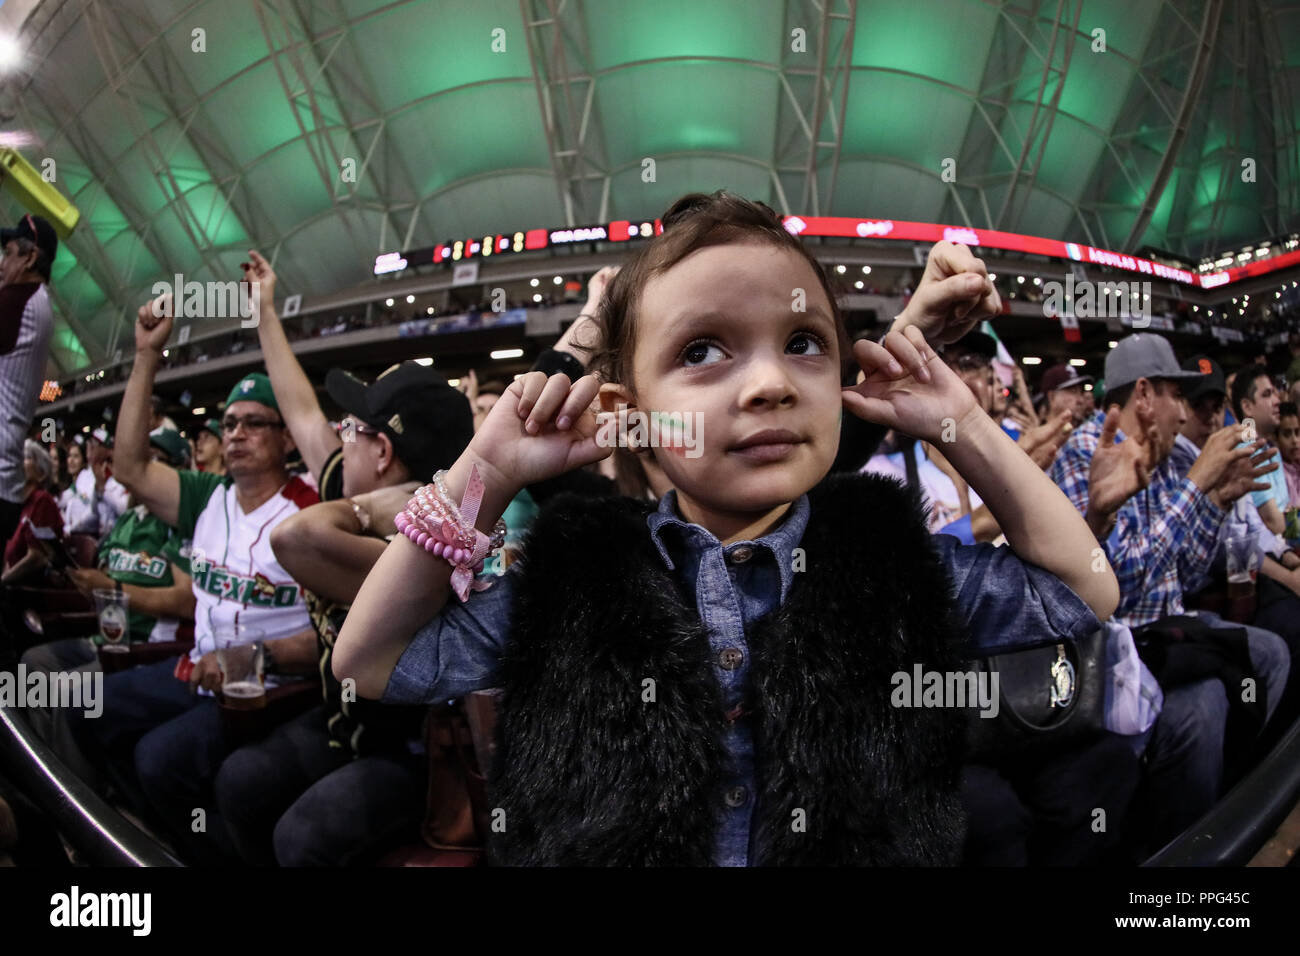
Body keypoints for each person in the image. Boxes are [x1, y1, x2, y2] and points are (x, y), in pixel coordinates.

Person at [336, 192, 1118, 866]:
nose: (772, 383)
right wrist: (489, 469)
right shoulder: (576, 581)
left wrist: (961, 422)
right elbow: (371, 659)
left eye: (804, 343)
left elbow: (1083, 587)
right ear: (626, 412)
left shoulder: (893, 565)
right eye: (703, 350)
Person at [71, 294, 320, 864]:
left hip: (273, 687)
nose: (235, 433)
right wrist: (144, 356)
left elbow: (333, 638)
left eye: (254, 423)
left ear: (286, 438)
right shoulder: (209, 497)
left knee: (162, 758)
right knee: (90, 705)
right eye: (228, 423)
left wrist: (249, 660)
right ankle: (149, 837)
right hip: (197, 667)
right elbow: (129, 465)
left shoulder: (312, 512)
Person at [214, 360, 474, 866]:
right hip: (343, 724)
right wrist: (264, 305)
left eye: (351, 428)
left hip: (409, 753)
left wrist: (371, 509)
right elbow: (301, 413)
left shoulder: (418, 550)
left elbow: (293, 537)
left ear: (382, 452)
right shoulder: (347, 487)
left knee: (302, 837)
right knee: (241, 780)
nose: (337, 435)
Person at [1049, 333, 1290, 846]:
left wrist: (1217, 501)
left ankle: (1233, 807)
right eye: (1176, 396)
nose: (1183, 415)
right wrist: (1195, 486)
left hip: (1168, 628)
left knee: (1272, 653)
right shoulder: (1084, 455)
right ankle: (1181, 856)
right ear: (1142, 393)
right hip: (1115, 647)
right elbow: (1120, 588)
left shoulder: (1157, 456)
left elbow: (1184, 574)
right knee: (1202, 707)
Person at [19, 428, 196, 785]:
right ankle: (49, 773)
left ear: (179, 472)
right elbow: (101, 581)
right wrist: (83, 581)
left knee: (69, 690)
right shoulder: (128, 519)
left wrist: (113, 586)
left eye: (156, 464)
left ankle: (84, 798)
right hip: (106, 636)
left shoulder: (183, 524)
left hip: (148, 647)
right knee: (31, 667)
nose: (143, 474)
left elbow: (187, 602)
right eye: (140, 465)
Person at [0, 215, 58, 546]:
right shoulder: (33, 301)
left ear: (30, 257)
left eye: (8, 253)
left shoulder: (18, 301)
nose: (1, 264)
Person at [1231, 366, 1286, 536]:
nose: (1277, 400)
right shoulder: (1245, 450)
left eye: (1275, 393)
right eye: (1267, 394)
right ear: (1247, 407)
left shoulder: (1270, 448)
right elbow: (1275, 523)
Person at [1, 440, 62, 587]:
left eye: (27, 457)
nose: (19, 461)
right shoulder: (19, 503)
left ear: (41, 474)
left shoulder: (42, 501)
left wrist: (2, 581)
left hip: (34, 593)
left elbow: (38, 557)